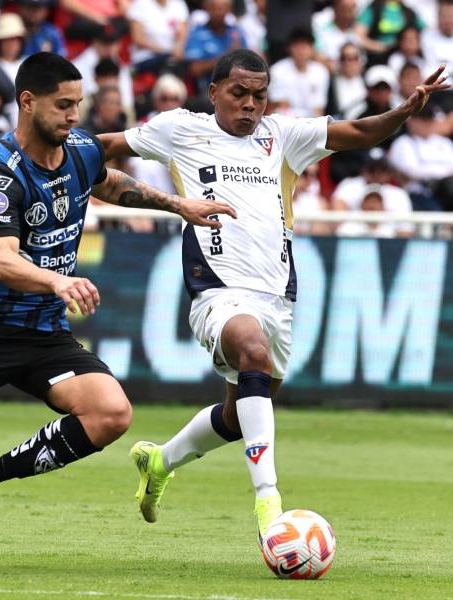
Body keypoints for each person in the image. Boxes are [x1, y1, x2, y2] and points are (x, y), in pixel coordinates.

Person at [0, 52, 234, 522]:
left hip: (44, 333)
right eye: (63, 105)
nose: (74, 116)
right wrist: (58, 280)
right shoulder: (3, 172)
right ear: (28, 102)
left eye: (78, 104)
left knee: (111, 413)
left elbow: (107, 182)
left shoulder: (81, 148)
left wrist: (178, 205)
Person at [99, 49, 449, 539]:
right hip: (216, 291)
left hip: (276, 297)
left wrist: (405, 111)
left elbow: (359, 132)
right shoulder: (179, 129)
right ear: (214, 92)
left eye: (259, 95)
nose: (250, 104)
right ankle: (270, 506)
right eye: (239, 93)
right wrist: (49, 151)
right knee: (252, 352)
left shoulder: (283, 135)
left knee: (240, 413)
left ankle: (160, 462)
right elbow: (100, 147)